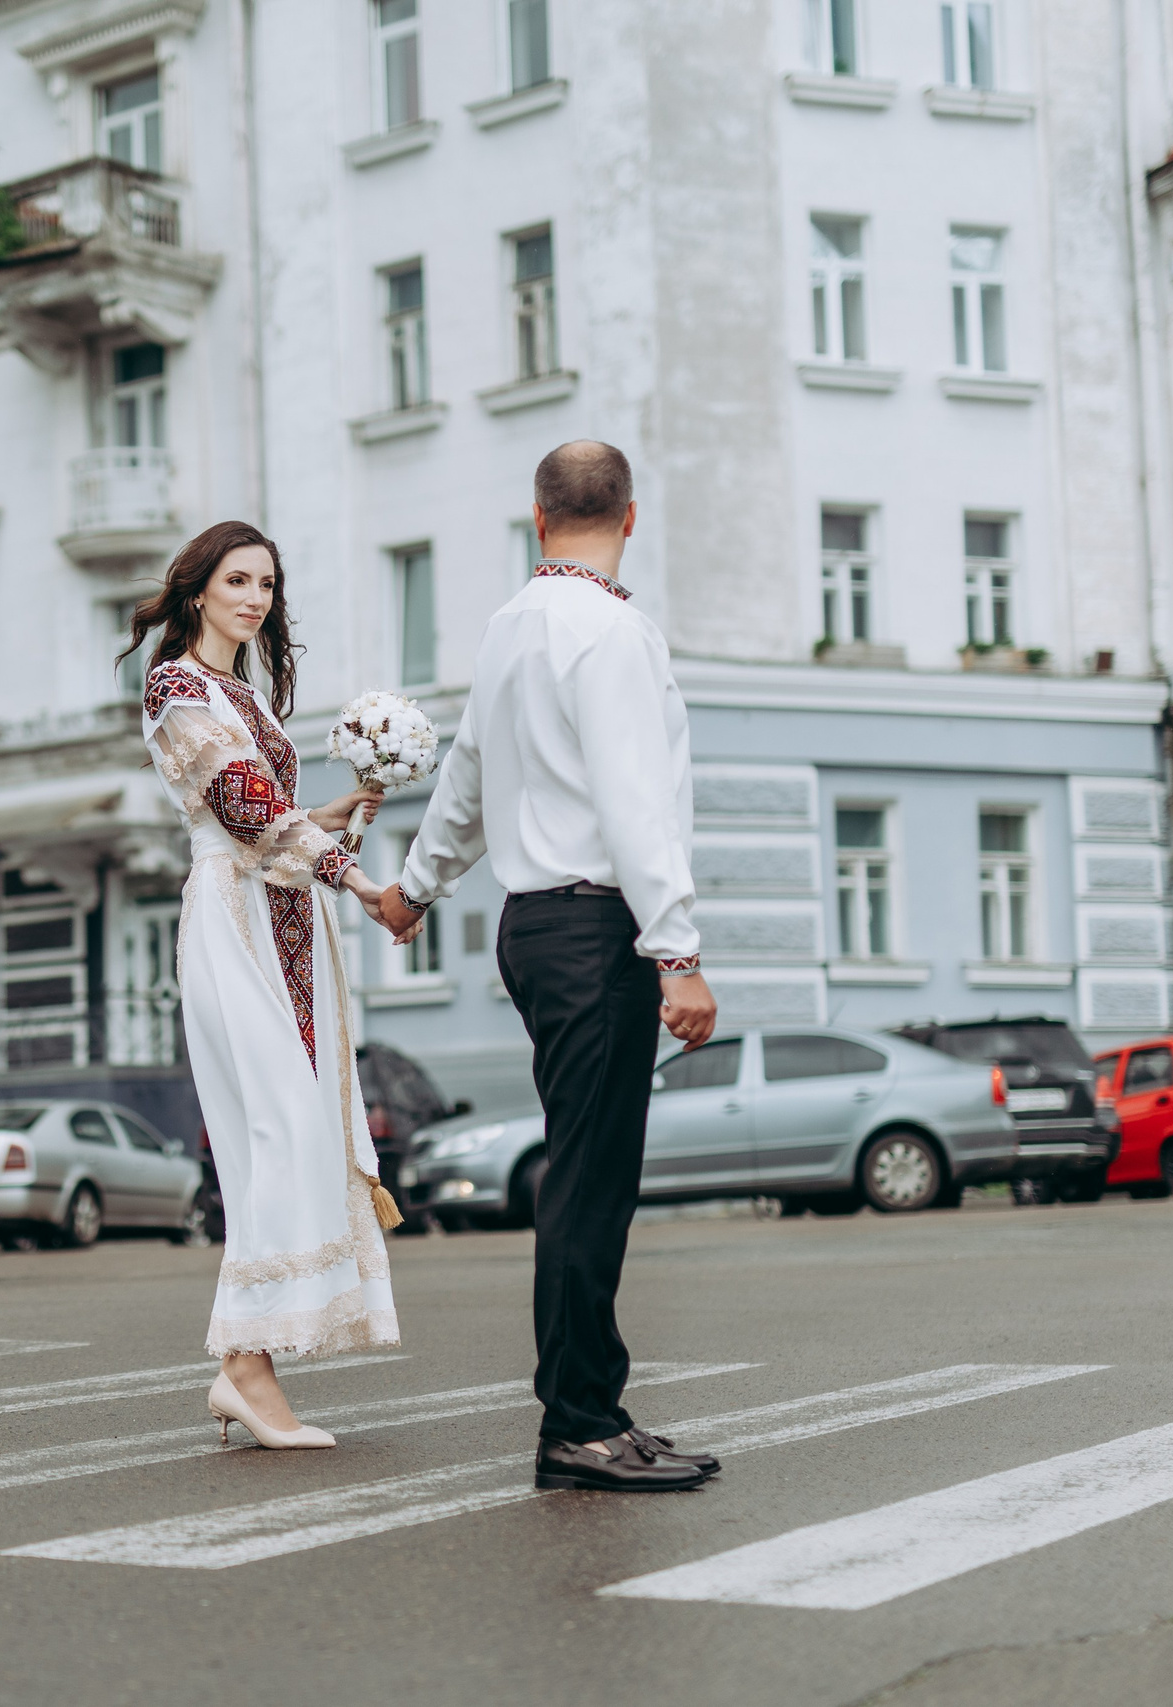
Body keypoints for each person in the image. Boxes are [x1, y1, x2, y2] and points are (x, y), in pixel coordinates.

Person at [379, 441, 723, 1493]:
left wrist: (415, 887)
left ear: (538, 520)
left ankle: (594, 1407)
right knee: (591, 1182)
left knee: (585, 1174)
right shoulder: (612, 632)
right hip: (594, 929)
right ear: (630, 517)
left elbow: (468, 778)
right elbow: (634, 801)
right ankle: (576, 1424)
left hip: (531, 930)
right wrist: (678, 954)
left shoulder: (509, 629)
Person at [123, 520, 404, 1449]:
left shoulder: (247, 694)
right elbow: (241, 809)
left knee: (302, 1129)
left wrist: (337, 812)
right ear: (198, 588)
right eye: (237, 579)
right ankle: (247, 1365)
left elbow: (272, 812)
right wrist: (359, 879)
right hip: (234, 921)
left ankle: (247, 1366)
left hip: (288, 918)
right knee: (276, 1129)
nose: (255, 597)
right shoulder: (175, 686)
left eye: (268, 584)